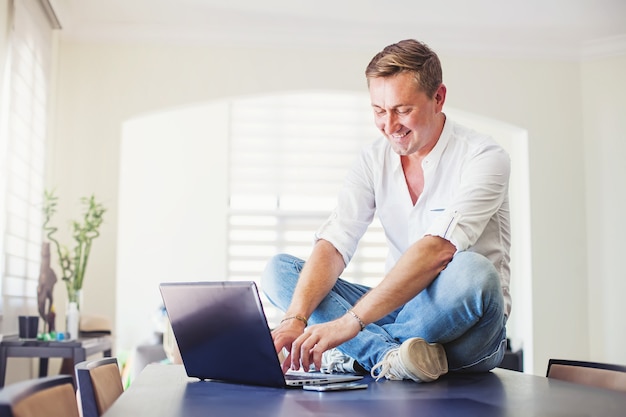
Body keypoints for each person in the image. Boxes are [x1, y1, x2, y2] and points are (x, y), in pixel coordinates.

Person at [261, 39, 511, 383]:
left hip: (467, 331)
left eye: (402, 109)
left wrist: (348, 326)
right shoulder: (372, 159)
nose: (389, 124)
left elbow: (437, 250)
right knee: (280, 271)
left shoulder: (484, 157)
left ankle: (358, 353)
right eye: (379, 110)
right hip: (397, 312)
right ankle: (387, 356)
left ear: (438, 97)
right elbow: (335, 242)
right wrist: (295, 319)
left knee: (474, 272)